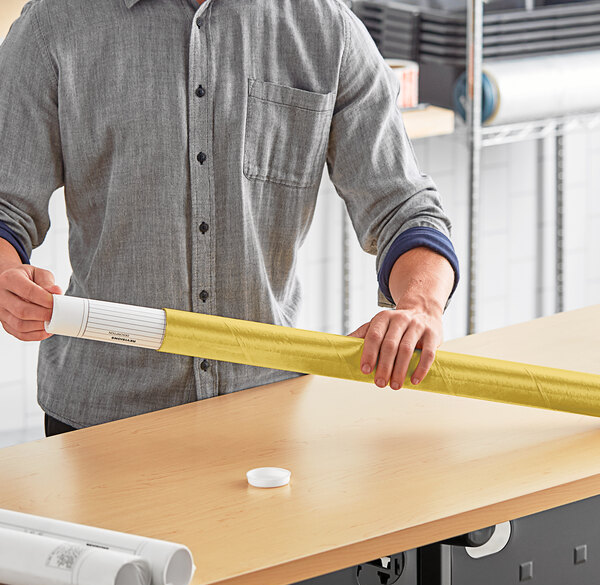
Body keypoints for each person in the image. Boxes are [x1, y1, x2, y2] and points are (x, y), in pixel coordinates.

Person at [0, 0, 459, 437]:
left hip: (265, 408)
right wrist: (7, 276)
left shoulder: (325, 28)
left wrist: (421, 304)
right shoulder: (54, 24)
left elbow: (405, 208)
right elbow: (6, 207)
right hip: (99, 418)